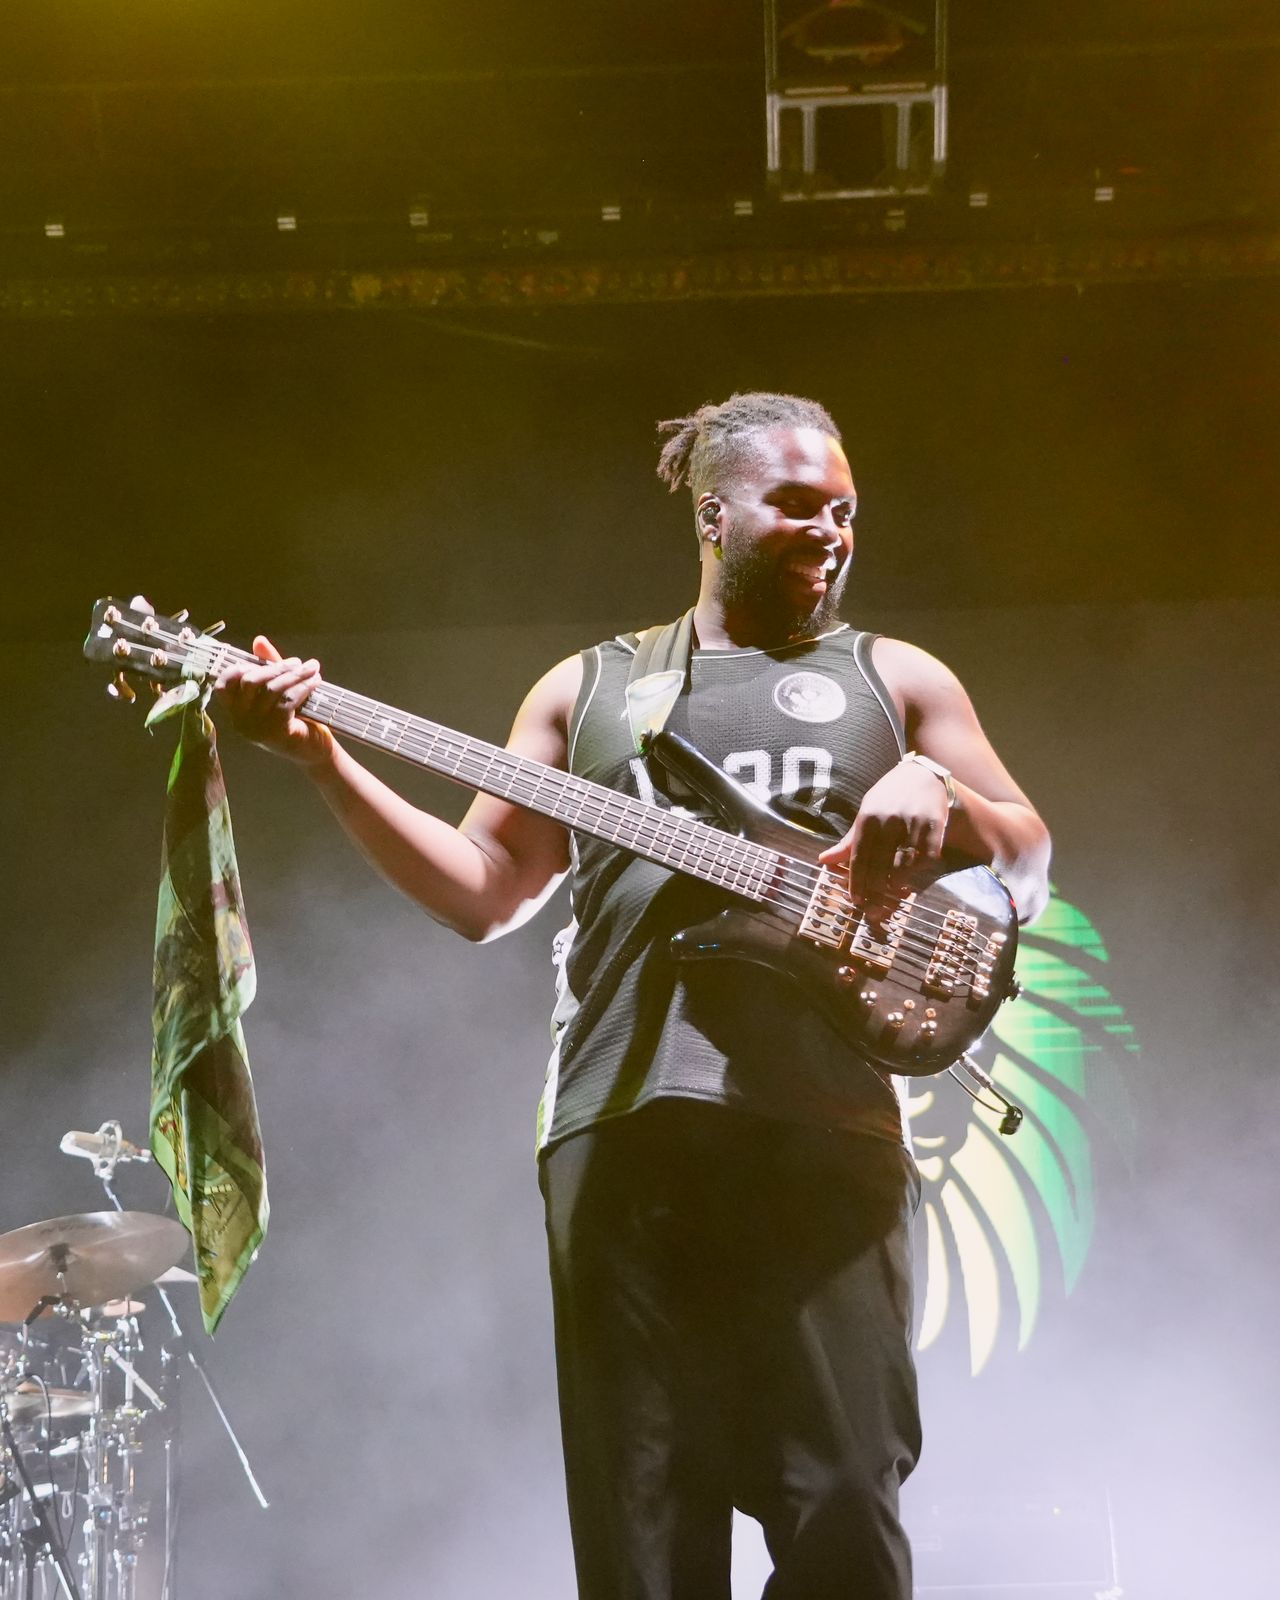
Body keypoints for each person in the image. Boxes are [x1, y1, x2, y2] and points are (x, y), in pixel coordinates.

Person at [209, 391, 1051, 1600]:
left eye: (845, 512)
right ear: (713, 514)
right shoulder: (590, 689)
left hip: (824, 1130)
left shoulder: (892, 677)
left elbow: (1026, 855)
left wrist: (943, 795)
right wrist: (322, 758)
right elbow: (485, 891)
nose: (830, 533)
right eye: (798, 506)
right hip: (622, 1131)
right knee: (642, 1537)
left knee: (844, 1510)